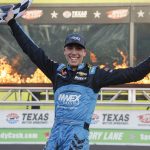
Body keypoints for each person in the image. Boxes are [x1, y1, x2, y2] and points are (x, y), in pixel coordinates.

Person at [5, 9, 150, 150]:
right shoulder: (56, 71)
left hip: (77, 135)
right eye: (70, 48)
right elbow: (32, 51)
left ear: (84, 52)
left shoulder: (95, 75)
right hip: (56, 133)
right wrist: (12, 23)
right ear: (65, 51)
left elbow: (134, 74)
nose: (74, 52)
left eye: (78, 49)